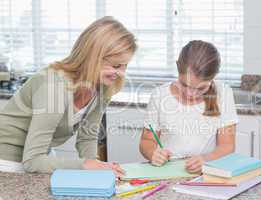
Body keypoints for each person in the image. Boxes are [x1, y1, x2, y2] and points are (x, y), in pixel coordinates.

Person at [0, 16, 137, 175]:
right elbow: (32, 162)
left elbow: (87, 138)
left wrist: (98, 168)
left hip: (39, 156)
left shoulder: (103, 87)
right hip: (7, 160)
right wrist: (85, 165)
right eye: (116, 66)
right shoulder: (54, 85)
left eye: (125, 66)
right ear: (92, 57)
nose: (121, 73)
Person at [140, 40, 238, 174]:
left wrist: (206, 159)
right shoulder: (160, 95)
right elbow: (147, 141)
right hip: (166, 173)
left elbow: (227, 146)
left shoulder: (224, 94)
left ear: (213, 77)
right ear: (177, 67)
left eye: (201, 88)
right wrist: (153, 154)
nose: (190, 94)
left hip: (206, 173)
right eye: (184, 84)